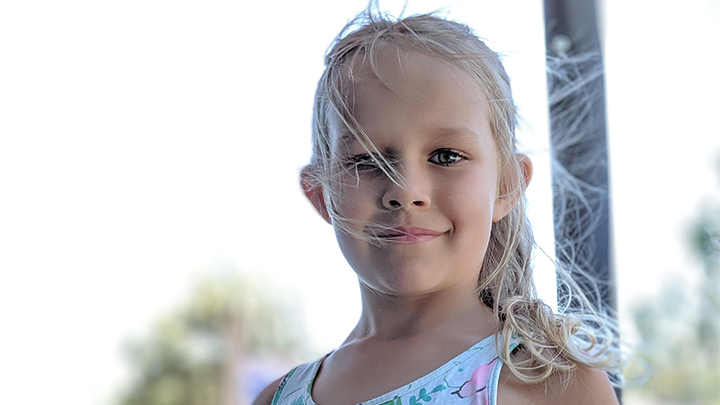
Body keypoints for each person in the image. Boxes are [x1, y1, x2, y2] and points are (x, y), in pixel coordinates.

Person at [254, 7, 622, 405]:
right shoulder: (278, 397)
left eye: (446, 156)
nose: (405, 190)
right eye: (367, 161)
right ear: (320, 194)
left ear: (506, 185)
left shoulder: (549, 382)